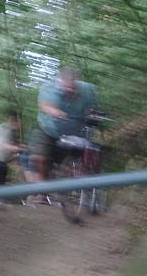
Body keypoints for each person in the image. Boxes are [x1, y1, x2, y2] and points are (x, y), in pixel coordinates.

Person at [27, 67, 97, 203]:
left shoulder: (87, 90)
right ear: (60, 81)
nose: (69, 92)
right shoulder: (49, 88)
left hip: (73, 131)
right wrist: (54, 111)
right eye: (66, 88)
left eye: (73, 89)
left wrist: (94, 115)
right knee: (38, 158)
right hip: (47, 128)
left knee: (75, 161)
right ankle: (42, 193)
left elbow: (92, 108)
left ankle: (66, 193)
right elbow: (44, 105)